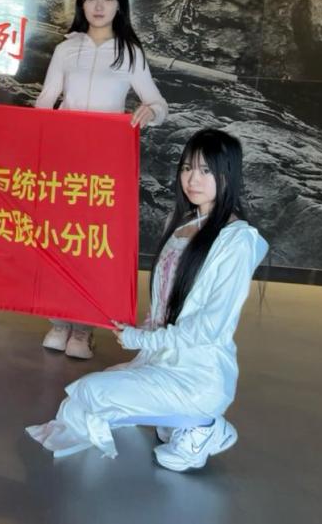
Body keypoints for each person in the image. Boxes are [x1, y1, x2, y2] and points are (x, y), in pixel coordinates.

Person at [27, 129, 268, 472]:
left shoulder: (237, 240)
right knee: (85, 401)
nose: (192, 179)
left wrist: (140, 339)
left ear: (227, 174)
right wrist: (137, 330)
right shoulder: (183, 222)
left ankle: (204, 426)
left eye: (205, 170)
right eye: (187, 168)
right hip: (159, 360)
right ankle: (178, 421)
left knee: (91, 393)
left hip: (197, 375)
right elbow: (163, 305)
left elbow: (207, 329)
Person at [35, 0, 167, 359]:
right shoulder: (66, 49)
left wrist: (150, 112)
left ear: (119, 4)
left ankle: (84, 328)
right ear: (81, 2)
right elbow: (46, 100)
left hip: (105, 168)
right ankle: (59, 320)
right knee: (61, 241)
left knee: (93, 245)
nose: (99, 5)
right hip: (64, 161)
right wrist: (36, 134)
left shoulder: (130, 53)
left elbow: (158, 103)